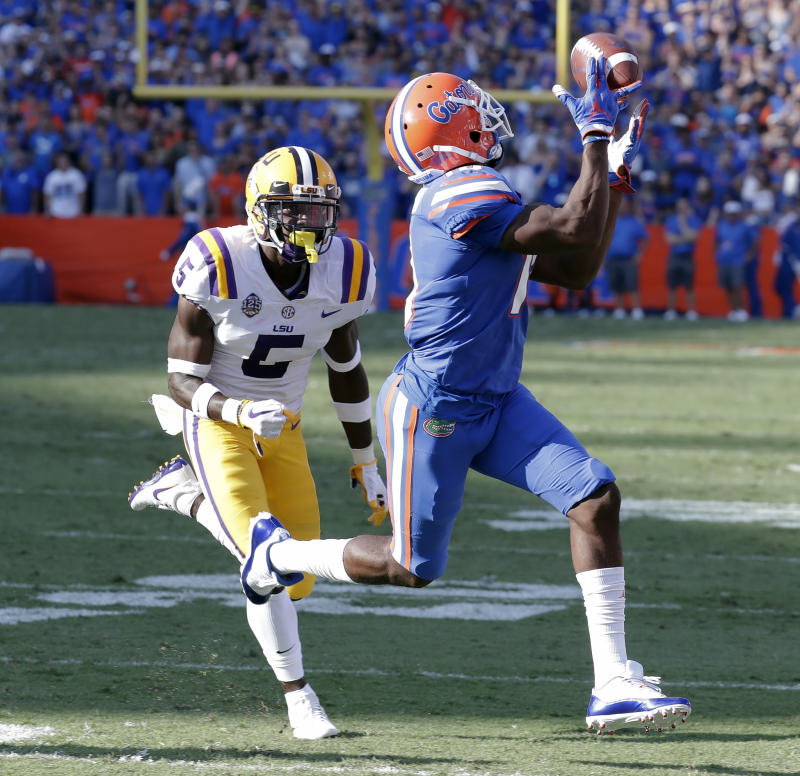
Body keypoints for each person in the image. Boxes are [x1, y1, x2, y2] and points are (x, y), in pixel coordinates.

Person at [238, 62, 692, 735]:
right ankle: (279, 557)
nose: (488, 113)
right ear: (447, 124)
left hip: (499, 398)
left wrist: (612, 178)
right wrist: (594, 140)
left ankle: (613, 682)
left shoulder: (476, 190)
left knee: (595, 497)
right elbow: (570, 230)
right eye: (471, 106)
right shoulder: (456, 190)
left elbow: (579, 267)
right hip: (435, 407)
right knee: (412, 568)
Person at [127, 146, 387, 740]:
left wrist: (363, 457)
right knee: (265, 554)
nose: (308, 224)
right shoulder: (218, 261)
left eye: (318, 211)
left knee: (296, 579)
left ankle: (182, 495)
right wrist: (236, 408)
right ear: (259, 211)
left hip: (284, 427)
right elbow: (179, 380)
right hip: (217, 419)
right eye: (292, 210)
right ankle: (300, 698)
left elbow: (344, 366)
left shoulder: (344, 270)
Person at [605, 196, 648, 320]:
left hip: (628, 259)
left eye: (624, 204)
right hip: (612, 258)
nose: (622, 207)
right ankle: (619, 309)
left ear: (629, 207)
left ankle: (636, 309)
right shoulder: (611, 220)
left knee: (632, 285)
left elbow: (645, 239)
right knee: (616, 285)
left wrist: (639, 254)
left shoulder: (634, 222)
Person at [663, 198, 701, 320]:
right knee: (672, 285)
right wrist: (685, 237)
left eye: (684, 206)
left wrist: (683, 225)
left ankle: (691, 311)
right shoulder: (671, 220)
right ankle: (671, 311)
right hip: (675, 256)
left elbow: (693, 238)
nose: (682, 209)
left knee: (689, 285)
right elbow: (669, 240)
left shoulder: (694, 220)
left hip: (687, 256)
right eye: (680, 207)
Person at [773, 199, 800, 319]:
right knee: (779, 286)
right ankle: (792, 308)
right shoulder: (789, 223)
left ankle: (791, 310)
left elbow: (798, 245)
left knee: (784, 286)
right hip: (785, 257)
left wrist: (799, 261)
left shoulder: (794, 225)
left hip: (790, 260)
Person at [713, 201, 750, 321]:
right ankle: (733, 310)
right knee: (727, 286)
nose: (731, 216)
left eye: (734, 214)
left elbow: (755, 242)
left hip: (737, 260)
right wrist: (716, 254)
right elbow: (716, 240)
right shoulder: (722, 225)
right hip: (724, 260)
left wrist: (748, 256)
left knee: (737, 286)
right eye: (729, 213)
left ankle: (740, 310)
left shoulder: (743, 226)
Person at [42, 152, 86, 218]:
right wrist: (47, 210)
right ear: (57, 163)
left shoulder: (76, 174)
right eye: (60, 161)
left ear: (69, 162)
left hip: (73, 213)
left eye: (65, 161)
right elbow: (47, 195)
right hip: (56, 212)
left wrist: (81, 210)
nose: (63, 163)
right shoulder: (52, 176)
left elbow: (81, 194)